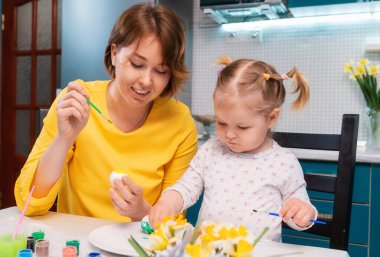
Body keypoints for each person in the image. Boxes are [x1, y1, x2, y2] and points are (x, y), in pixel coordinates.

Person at [14, 2, 198, 222]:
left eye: (161, 71)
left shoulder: (179, 121)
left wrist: (143, 212)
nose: (147, 81)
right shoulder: (77, 102)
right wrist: (64, 139)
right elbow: (29, 202)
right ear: (114, 53)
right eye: (137, 64)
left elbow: (173, 223)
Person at [149, 56, 317, 241]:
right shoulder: (211, 150)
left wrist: (302, 212)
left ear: (271, 118)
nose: (229, 134)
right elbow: (187, 187)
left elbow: (299, 208)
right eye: (221, 123)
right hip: (207, 250)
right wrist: (167, 204)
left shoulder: (283, 162)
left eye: (242, 127)